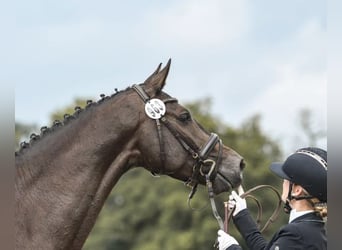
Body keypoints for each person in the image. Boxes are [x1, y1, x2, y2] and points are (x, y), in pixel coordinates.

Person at [217, 147, 327, 250]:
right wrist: (242, 215)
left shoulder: (296, 234)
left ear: (297, 190)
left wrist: (231, 247)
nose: (283, 182)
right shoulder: (315, 228)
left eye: (286, 180)